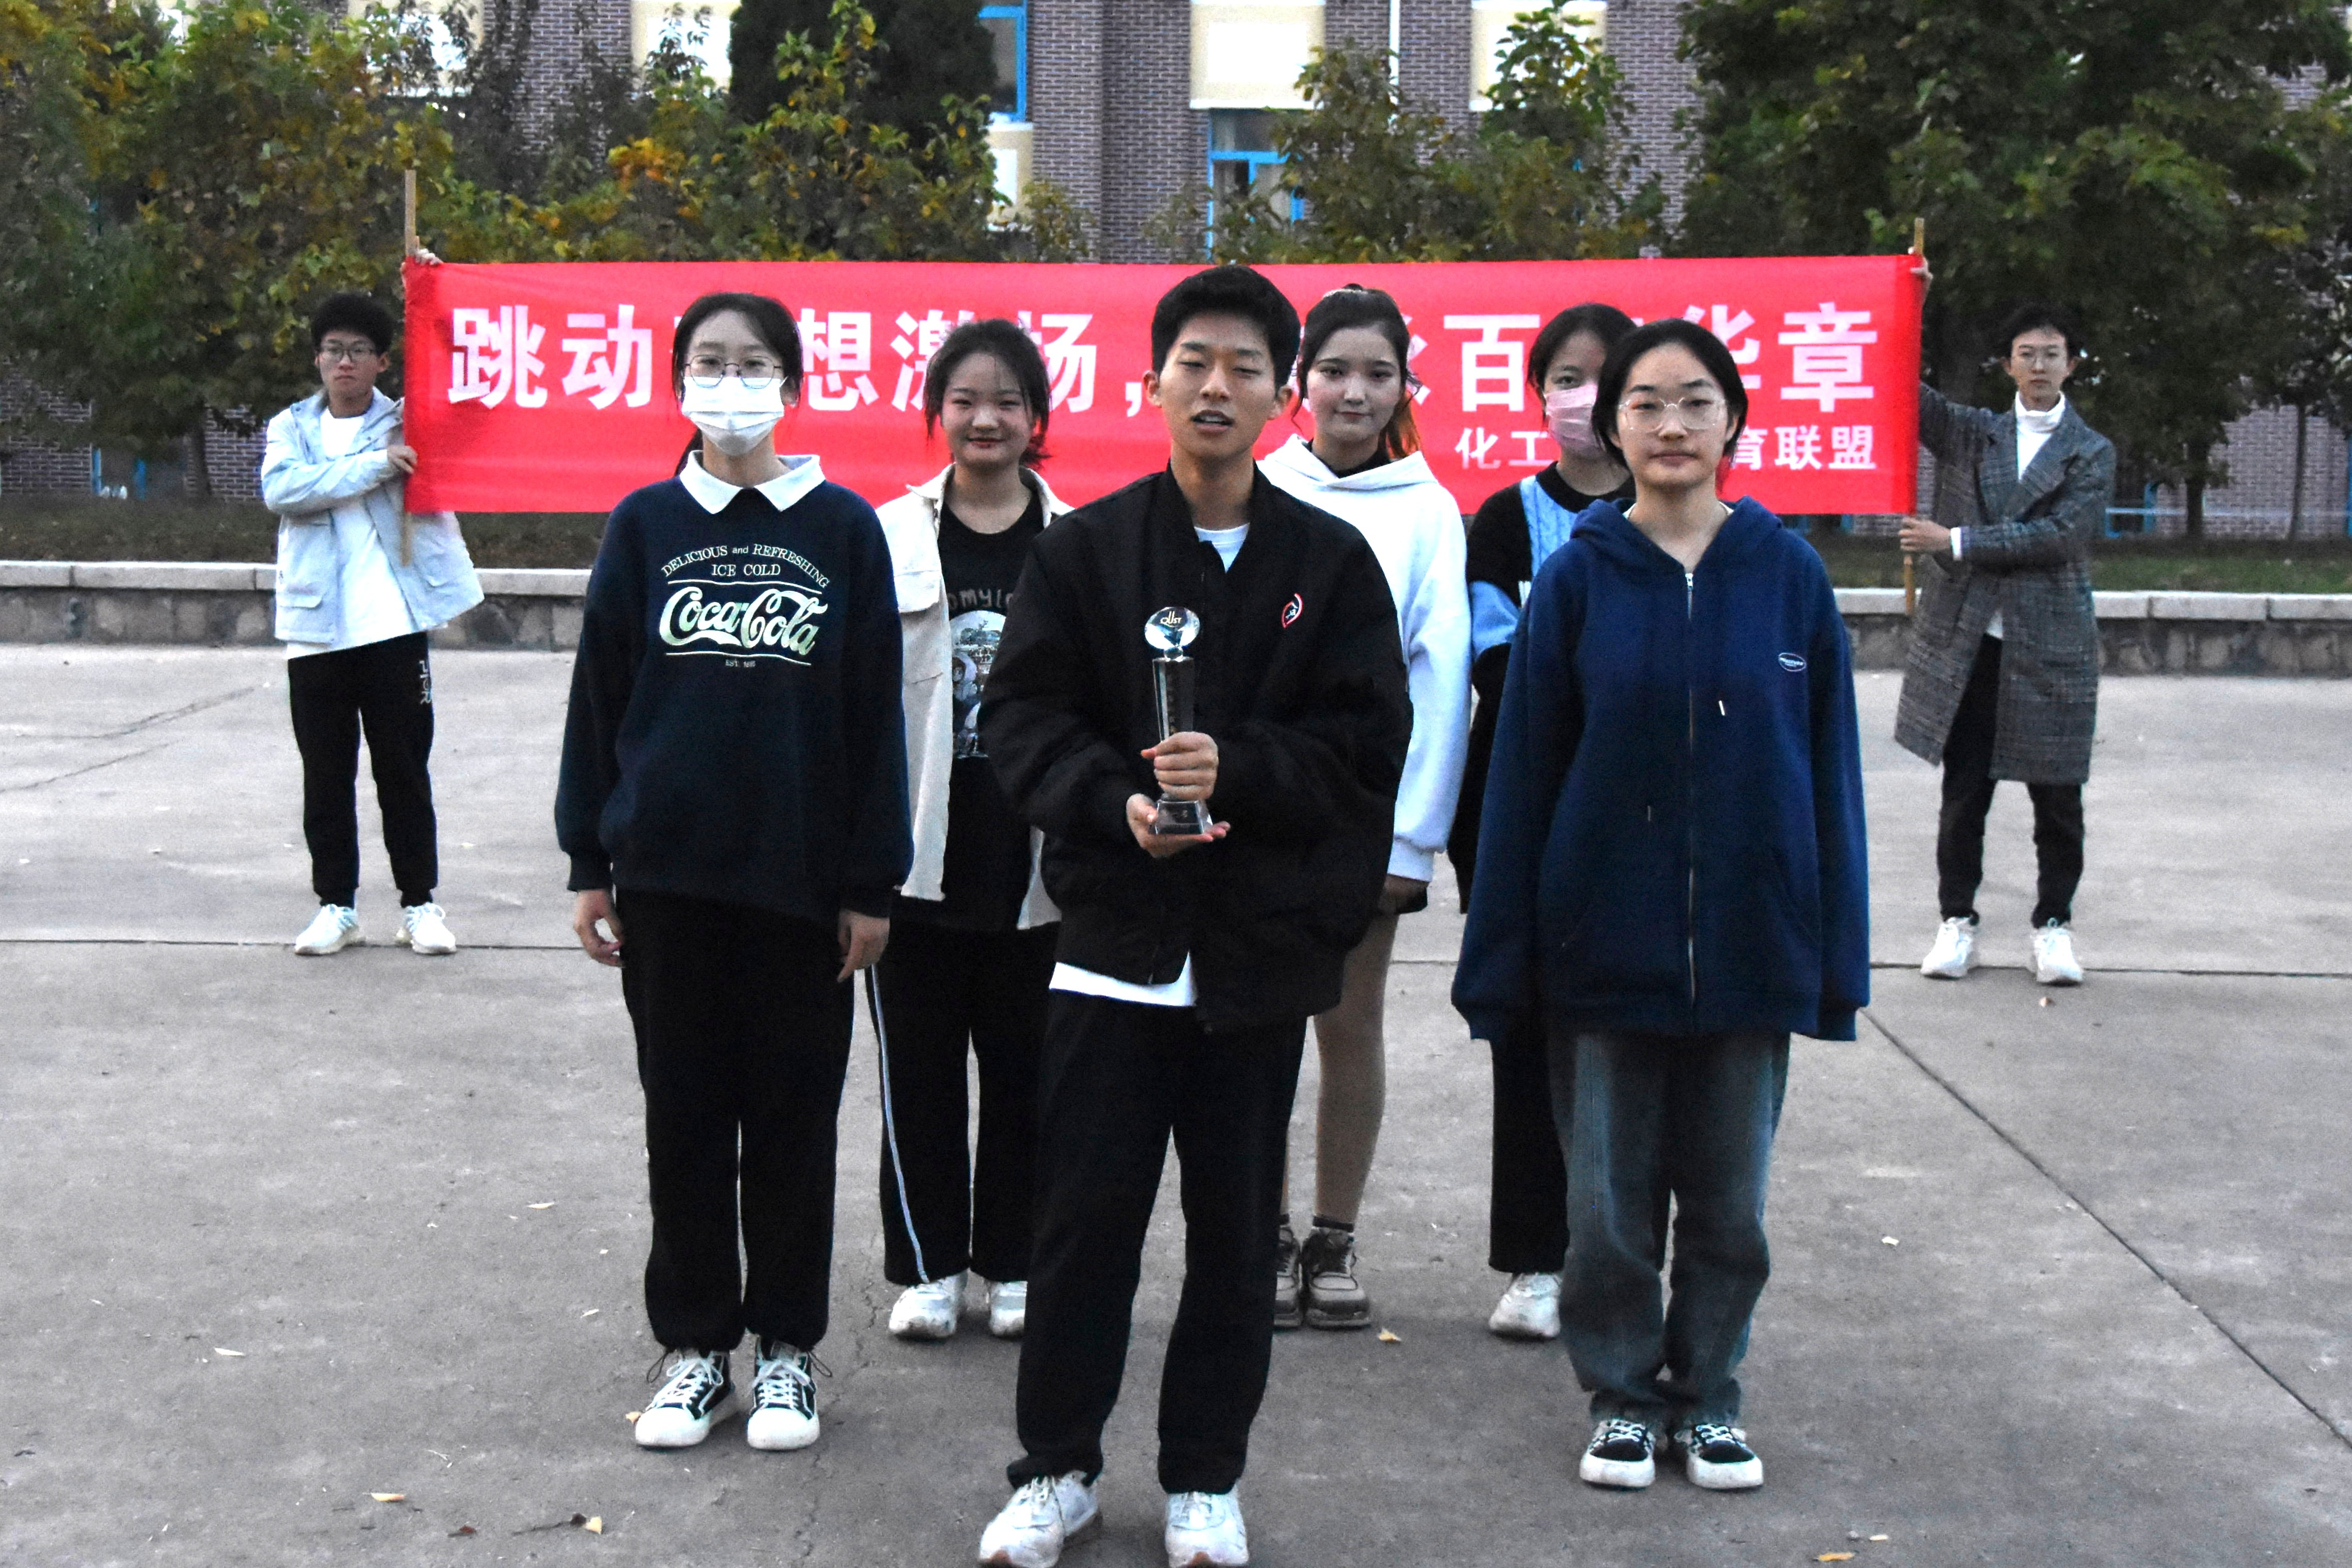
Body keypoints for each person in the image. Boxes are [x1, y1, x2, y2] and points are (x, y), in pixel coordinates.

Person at [971, 265, 1410, 1568]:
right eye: (1193, 364)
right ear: (1151, 384)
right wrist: (1112, 805)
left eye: (1244, 368)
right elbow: (1023, 721)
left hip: (1252, 964)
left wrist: (1242, 771)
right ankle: (1055, 1470)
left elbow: (1363, 745)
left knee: (1231, 1240)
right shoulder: (1085, 551)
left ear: (1282, 398)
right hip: (1112, 952)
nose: (1216, 387)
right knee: (1082, 1230)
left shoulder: (1327, 565)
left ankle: (1203, 1480)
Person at [1453, 318, 1868, 1496]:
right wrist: (1504, 955)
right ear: (1612, 425)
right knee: (1605, 1213)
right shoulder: (1578, 577)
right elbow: (1523, 776)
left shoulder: (1785, 574)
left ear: (1733, 420)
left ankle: (1709, 1394)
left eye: (1694, 401)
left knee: (1729, 1210)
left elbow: (1827, 773)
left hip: (1749, 943)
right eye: (1644, 403)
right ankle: (1624, 1399)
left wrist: (1832, 948)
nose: (1670, 424)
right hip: (1600, 947)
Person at [554, 292, 910, 1456]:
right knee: (686, 1120)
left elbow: (874, 716)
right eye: (709, 362)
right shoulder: (646, 523)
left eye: (753, 363)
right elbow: (600, 697)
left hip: (801, 887)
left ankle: (788, 1351)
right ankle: (697, 1349)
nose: (731, 382)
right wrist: (588, 857)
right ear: (678, 383)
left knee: (794, 1125)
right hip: (668, 879)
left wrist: (871, 882)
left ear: (791, 385)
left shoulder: (842, 528)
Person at [1258, 284, 1470, 1331]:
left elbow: (1441, 680)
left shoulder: (1428, 512)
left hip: (1363, 827)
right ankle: (1258, 1229)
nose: (1354, 391)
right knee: (1254, 1031)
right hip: (1254, 813)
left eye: (1376, 373)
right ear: (1298, 383)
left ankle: (1333, 1235)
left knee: (1348, 1025)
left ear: (1404, 387)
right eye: (1334, 370)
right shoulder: (1255, 486)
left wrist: (1408, 839)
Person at [872, 320, 1072, 1344]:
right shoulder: (887, 536)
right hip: (914, 858)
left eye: (1006, 401)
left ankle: (1015, 1264)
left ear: (1036, 417)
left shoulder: (1076, 541)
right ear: (936, 413)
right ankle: (928, 1268)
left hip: (1036, 861)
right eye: (964, 400)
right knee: (917, 1076)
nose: (985, 418)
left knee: (1028, 1075)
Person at [1448, 302, 1638, 1343]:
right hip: (1519, 806)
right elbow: (1495, 661)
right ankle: (1534, 1258)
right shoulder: (1503, 518)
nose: (1585, 398)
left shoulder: (1676, 517)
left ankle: (1622, 1255)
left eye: (1605, 377)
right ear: (1538, 395)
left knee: (1632, 1043)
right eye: (1565, 377)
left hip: (1640, 811)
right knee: (1527, 1034)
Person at [1895, 299, 2114, 988]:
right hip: (1971, 641)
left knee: (2058, 796)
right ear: (2006, 365)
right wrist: (1912, 299)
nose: (2039, 366)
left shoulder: (2090, 450)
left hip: (2049, 642)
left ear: (2072, 365)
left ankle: (2053, 926)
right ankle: (1956, 920)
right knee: (1965, 792)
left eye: (2052, 354)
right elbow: (1903, 388)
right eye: (2027, 354)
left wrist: (1955, 540)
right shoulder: (1971, 434)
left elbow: (2059, 537)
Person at [260, 291, 483, 958]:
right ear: (317, 359)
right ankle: (336, 907)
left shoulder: (412, 421)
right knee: (326, 777)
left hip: (393, 625)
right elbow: (284, 491)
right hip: (316, 629)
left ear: (383, 361)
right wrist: (376, 467)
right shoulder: (291, 429)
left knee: (404, 772)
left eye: (359, 350)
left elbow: (474, 393)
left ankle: (419, 905)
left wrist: (437, 296)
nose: (345, 362)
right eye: (333, 350)